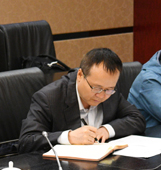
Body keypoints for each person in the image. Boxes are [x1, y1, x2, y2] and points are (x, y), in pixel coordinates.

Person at [18, 48, 146, 154]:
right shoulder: (49, 98)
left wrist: (106, 130)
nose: (101, 96)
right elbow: (26, 141)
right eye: (96, 88)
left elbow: (137, 119)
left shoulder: (110, 92)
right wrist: (69, 137)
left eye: (108, 89)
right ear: (80, 75)